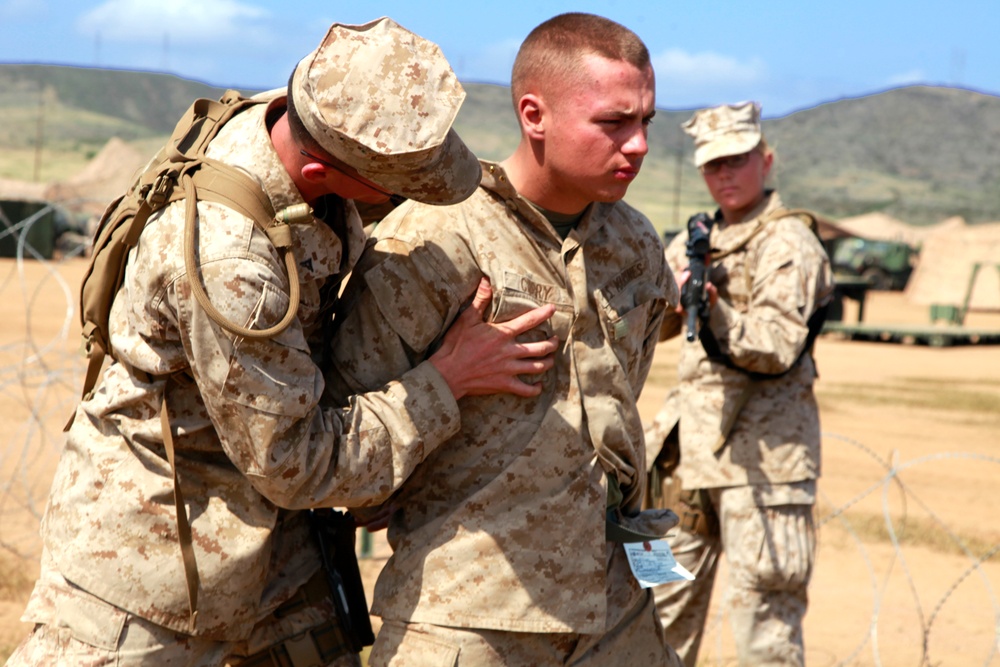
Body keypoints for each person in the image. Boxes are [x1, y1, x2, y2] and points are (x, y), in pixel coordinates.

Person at [6, 17, 560, 667]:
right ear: (324, 167)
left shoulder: (305, 111)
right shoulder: (233, 262)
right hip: (151, 562)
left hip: (278, 563)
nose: (402, 203)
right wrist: (447, 380)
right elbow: (296, 463)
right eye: (394, 190)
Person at [325, 12, 684, 667]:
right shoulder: (436, 241)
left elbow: (619, 411)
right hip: (470, 615)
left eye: (646, 122)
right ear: (533, 114)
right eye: (613, 122)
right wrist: (437, 401)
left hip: (618, 602)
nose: (638, 145)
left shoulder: (634, 245)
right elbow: (344, 430)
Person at [646, 101, 834, 666]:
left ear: (765, 160)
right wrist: (673, 298)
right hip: (686, 459)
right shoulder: (692, 241)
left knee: (764, 631)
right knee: (653, 616)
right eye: (712, 164)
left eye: (736, 159)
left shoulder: (788, 244)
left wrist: (716, 309)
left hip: (763, 464)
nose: (724, 173)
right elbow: (654, 329)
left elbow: (776, 347)